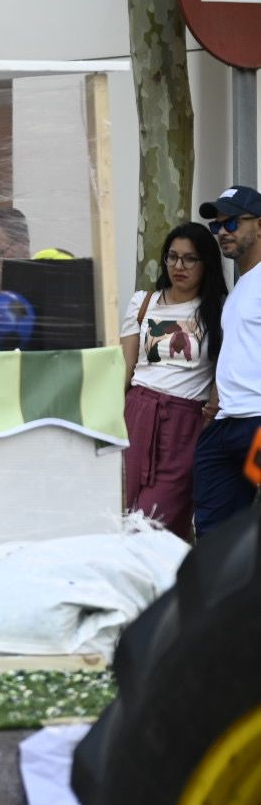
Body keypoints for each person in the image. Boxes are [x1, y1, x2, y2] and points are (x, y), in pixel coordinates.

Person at [121, 223, 225, 540]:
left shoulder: (219, 309)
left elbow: (223, 372)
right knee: (123, 513)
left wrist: (210, 415)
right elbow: (124, 369)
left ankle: (171, 583)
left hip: (185, 422)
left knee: (155, 522)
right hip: (136, 415)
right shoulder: (142, 302)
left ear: (206, 263)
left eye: (190, 259)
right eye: (172, 257)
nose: (179, 266)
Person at [193, 185, 261, 534]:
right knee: (216, 537)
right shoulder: (242, 288)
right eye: (216, 226)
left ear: (259, 225)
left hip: (256, 426)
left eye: (232, 223)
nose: (221, 233)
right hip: (224, 426)